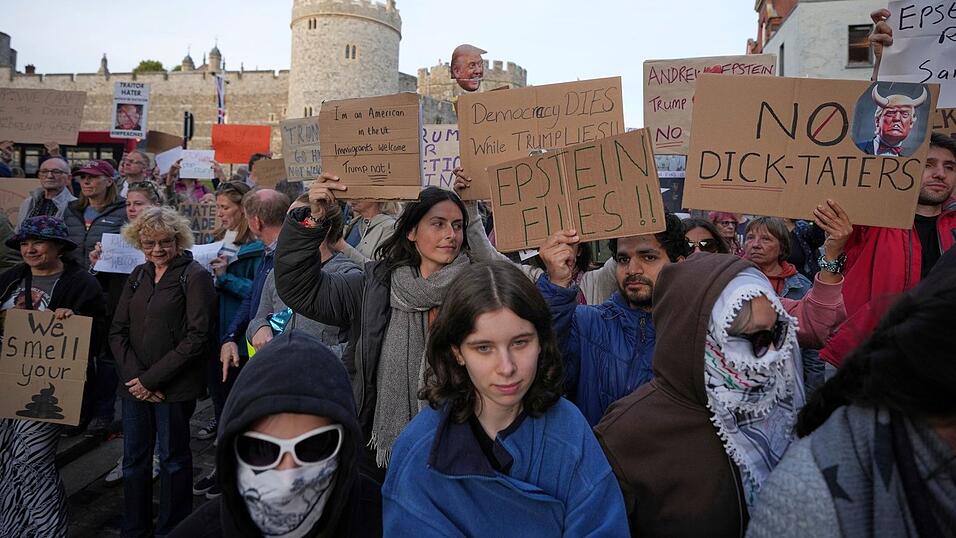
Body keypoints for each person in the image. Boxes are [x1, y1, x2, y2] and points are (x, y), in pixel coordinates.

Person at [382, 261, 629, 536]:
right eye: (483, 348)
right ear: (457, 352)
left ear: (541, 342)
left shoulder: (569, 429)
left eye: (520, 342)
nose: (507, 367)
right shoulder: (420, 450)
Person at [274, 174, 479, 477]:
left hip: (458, 443)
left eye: (458, 226)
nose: (451, 234)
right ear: (411, 231)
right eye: (438, 224)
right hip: (378, 445)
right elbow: (300, 288)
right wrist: (313, 219)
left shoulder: (478, 291)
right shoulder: (373, 287)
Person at [594, 254, 806, 536]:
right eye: (752, 339)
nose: (770, 355)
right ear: (699, 338)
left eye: (775, 333)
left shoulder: (778, 401)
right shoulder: (626, 435)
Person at [747, 261, 956, 537]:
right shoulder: (807, 500)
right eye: (746, 336)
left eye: (769, 335)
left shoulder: (795, 287)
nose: (756, 244)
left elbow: (814, 325)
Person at [171, 331, 382, 538]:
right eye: (261, 449)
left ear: (345, 448)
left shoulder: (384, 517)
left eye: (314, 446)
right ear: (231, 453)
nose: (288, 478)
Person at [110, 206, 217, 537]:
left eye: (164, 242)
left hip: (174, 387)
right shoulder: (138, 275)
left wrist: (151, 380)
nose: (157, 249)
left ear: (178, 240)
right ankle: (134, 528)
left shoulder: (194, 276)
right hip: (135, 387)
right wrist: (137, 380)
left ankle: (172, 529)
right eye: (149, 243)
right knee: (134, 461)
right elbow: (117, 330)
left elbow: (197, 337)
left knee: (173, 460)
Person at [0, 216, 107, 538]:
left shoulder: (81, 284)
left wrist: (72, 320)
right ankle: (13, 528)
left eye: (38, 242)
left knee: (31, 460)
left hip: (49, 389)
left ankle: (48, 530)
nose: (29, 249)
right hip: (7, 384)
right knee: (5, 459)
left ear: (59, 246)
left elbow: (97, 339)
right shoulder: (10, 279)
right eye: (24, 243)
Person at [821, 133, 956, 365]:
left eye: (949, 167)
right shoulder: (871, 217)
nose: (940, 174)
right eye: (928, 164)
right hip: (865, 357)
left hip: (938, 360)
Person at [197, 188, 290, 499]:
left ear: (254, 221)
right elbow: (254, 298)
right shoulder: (267, 251)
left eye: (226, 207)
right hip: (248, 347)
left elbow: (284, 309)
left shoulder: (287, 255)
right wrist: (229, 337)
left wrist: (261, 331)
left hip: (270, 355)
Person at [93, 181, 164, 486]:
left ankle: (156, 455)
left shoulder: (167, 241)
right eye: (129, 204)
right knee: (129, 393)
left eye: (139, 203)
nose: (132, 209)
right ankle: (131, 456)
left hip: (156, 330)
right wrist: (97, 263)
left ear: (155, 206)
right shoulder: (118, 240)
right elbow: (103, 285)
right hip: (123, 328)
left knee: (156, 393)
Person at [247, 195, 360, 358]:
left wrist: (307, 356)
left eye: (297, 220)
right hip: (279, 370)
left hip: (321, 372)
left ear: (323, 226)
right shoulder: (277, 273)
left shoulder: (348, 275)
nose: (287, 228)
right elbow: (259, 318)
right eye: (288, 220)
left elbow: (359, 346)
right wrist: (259, 328)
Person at [63, 159, 128, 434]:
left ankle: (103, 413)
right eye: (82, 177)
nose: (86, 182)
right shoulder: (71, 210)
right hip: (76, 292)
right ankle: (77, 412)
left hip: (109, 293)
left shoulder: (124, 211)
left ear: (109, 181)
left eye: (92, 177)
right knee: (77, 355)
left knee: (105, 356)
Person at [194, 181, 255, 444]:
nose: (219, 213)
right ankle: (220, 423)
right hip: (212, 326)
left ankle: (232, 436)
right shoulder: (217, 238)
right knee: (217, 385)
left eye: (225, 207)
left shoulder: (256, 244)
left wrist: (225, 278)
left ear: (242, 209)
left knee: (235, 388)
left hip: (238, 330)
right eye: (218, 207)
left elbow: (259, 291)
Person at [743, 217, 813, 300]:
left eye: (765, 239)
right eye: (750, 237)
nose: (755, 244)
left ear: (782, 247)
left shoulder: (803, 286)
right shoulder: (732, 277)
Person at [854, 85, 928, 157]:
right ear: (877, 121)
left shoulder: (912, 158)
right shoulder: (856, 149)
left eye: (905, 114)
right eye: (890, 113)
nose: (897, 118)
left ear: (911, 123)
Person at [17, 156, 76, 226]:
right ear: (39, 176)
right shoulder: (28, 202)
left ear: (68, 178)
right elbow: (18, 229)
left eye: (56, 172)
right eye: (44, 171)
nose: (49, 176)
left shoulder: (75, 206)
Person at [339, 200, 397, 264]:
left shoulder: (391, 227)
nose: (352, 198)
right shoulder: (355, 223)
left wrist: (343, 247)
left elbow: (379, 268)